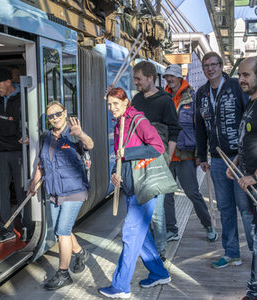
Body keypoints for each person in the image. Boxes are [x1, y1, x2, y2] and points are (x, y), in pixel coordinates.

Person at [98, 87, 170, 299]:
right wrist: (114, 173)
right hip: (131, 186)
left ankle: (120, 286)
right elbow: (119, 157)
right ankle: (159, 273)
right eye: (109, 105)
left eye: (115, 105)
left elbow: (157, 147)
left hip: (144, 186)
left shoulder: (138, 120)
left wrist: (127, 153)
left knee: (130, 233)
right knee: (142, 237)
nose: (112, 109)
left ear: (126, 102)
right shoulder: (120, 122)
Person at [195, 52, 253, 269]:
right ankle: (231, 253)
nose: (210, 69)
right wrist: (202, 155)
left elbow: (250, 117)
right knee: (225, 208)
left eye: (213, 65)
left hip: (241, 158)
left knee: (245, 208)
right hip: (218, 159)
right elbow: (199, 126)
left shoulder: (237, 86)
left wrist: (244, 152)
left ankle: (255, 252)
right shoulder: (201, 93)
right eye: (206, 66)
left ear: (221, 66)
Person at [28, 101, 93, 290]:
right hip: (55, 191)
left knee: (62, 232)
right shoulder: (47, 137)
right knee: (60, 230)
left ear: (65, 113)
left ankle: (63, 274)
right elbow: (41, 164)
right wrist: (33, 184)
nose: (55, 118)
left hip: (74, 190)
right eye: (51, 116)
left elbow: (90, 144)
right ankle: (80, 253)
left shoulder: (73, 133)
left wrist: (80, 134)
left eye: (58, 113)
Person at [131, 61, 181, 260]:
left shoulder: (165, 101)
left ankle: (159, 252)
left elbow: (173, 131)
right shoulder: (136, 100)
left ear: (151, 78)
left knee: (157, 212)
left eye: (138, 79)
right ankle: (147, 247)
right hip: (139, 162)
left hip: (158, 161)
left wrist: (167, 159)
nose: (136, 83)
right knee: (142, 209)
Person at [163, 64, 218, 242]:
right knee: (167, 194)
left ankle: (208, 224)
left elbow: (200, 127)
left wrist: (199, 154)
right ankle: (172, 229)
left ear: (180, 78)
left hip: (186, 154)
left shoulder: (193, 98)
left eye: (171, 76)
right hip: (167, 156)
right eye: (166, 77)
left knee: (192, 192)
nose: (168, 80)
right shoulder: (163, 98)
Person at [226, 57, 257, 300]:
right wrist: (237, 161)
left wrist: (254, 176)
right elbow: (248, 140)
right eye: (240, 75)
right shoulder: (250, 104)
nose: (241, 79)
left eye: (246, 75)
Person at [0, 68, 32, 243]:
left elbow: (32, 122)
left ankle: (28, 227)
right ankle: (7, 229)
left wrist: (29, 136)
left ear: (8, 82)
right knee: (0, 194)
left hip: (18, 151)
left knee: (23, 191)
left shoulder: (23, 97)